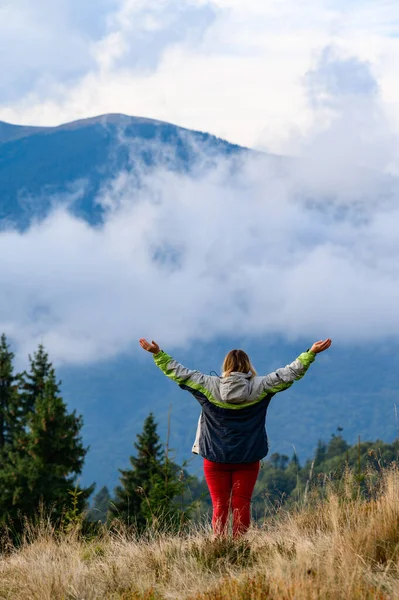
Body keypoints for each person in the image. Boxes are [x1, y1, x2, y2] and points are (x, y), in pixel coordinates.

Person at [139, 337, 332, 537]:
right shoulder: (262, 386)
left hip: (214, 457)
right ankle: (241, 548)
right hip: (248, 458)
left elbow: (179, 373)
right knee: (241, 505)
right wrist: (311, 353)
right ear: (248, 367)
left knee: (220, 506)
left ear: (226, 366)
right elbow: (289, 373)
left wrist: (157, 354)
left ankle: (219, 548)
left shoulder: (208, 385)